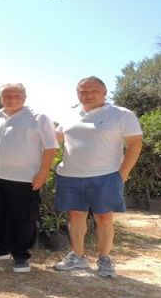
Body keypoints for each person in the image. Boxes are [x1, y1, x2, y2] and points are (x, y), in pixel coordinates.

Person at [53, 76, 143, 278]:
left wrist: (122, 174)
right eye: (83, 92)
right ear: (77, 94)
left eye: (93, 91)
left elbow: (135, 144)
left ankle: (104, 259)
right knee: (75, 216)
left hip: (106, 176)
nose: (88, 95)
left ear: (104, 93)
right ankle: (78, 256)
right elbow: (54, 139)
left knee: (104, 218)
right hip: (70, 175)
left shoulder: (121, 114)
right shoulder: (69, 115)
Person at [0, 83, 58, 273]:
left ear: (25, 97)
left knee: (23, 217)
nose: (11, 98)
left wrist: (43, 174)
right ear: (0, 97)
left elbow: (50, 147)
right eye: (6, 95)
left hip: (24, 178)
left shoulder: (38, 118)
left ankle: (20, 256)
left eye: (16, 95)